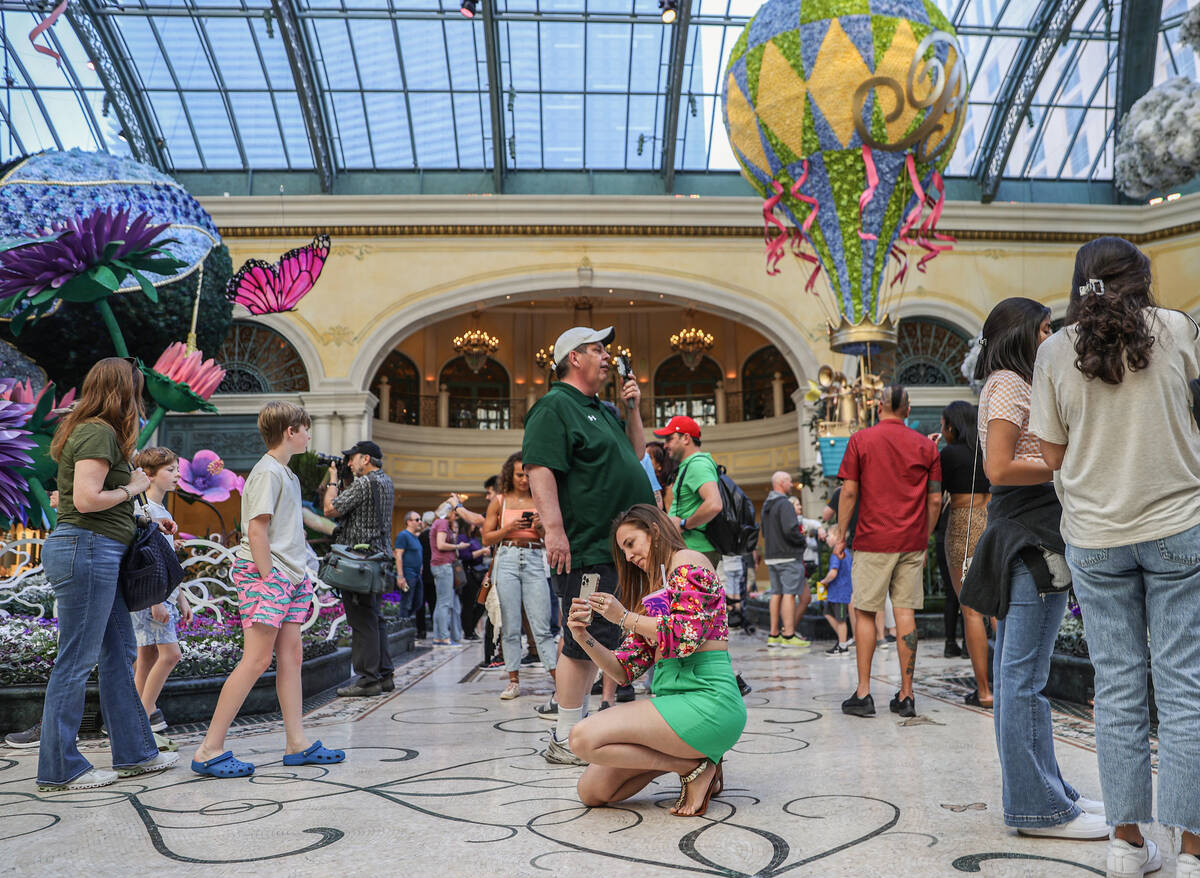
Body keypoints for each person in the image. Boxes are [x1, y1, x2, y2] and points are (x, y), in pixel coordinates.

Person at [1031, 238, 1200, 875]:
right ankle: (1192, 854)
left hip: (1096, 536)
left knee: (1120, 689)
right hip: (1179, 525)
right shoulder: (1179, 329)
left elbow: (1049, 455)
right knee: (1185, 691)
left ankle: (1126, 845)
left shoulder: (1052, 349)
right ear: (1142, 278)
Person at [960, 297, 1106, 841]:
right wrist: (1066, 464)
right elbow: (999, 467)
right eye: (1045, 328)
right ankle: (1037, 806)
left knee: (1025, 679)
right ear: (1021, 333)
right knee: (1022, 680)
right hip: (1027, 535)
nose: (1052, 337)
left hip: (1031, 532)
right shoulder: (1008, 383)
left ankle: (1051, 792)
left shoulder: (1018, 381)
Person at [36, 358, 180, 790]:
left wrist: (144, 520)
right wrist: (135, 488)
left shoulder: (98, 432)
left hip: (98, 550)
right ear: (122, 390)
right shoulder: (97, 429)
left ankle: (136, 753)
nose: (140, 401)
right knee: (76, 660)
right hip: (86, 550)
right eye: (136, 390)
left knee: (119, 653)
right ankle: (60, 770)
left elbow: (103, 504)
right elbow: (84, 499)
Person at [191, 401, 345, 777]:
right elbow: (256, 530)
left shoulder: (286, 474)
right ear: (289, 431)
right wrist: (266, 577)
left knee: (290, 658)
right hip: (269, 574)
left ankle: (297, 743)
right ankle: (209, 749)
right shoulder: (267, 473)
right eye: (305, 428)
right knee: (257, 660)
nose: (309, 434)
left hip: (289, 576)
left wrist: (293, 577)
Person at [522, 325, 653, 765]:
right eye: (598, 349)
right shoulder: (554, 407)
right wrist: (554, 529)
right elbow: (539, 469)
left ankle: (583, 731)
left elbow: (636, 455)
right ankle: (564, 737)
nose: (607, 357)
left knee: (605, 634)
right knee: (581, 639)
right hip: (587, 546)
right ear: (574, 358)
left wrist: (633, 409)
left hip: (617, 547)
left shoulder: (604, 409)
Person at [567, 504, 746, 816]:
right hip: (674, 707)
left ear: (654, 531)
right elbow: (623, 671)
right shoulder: (657, 590)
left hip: (708, 702)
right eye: (622, 551)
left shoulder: (687, 562)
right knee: (592, 792)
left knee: (582, 737)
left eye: (631, 544)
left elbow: (685, 636)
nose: (628, 557)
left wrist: (623, 617)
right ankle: (690, 765)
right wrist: (583, 636)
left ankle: (695, 765)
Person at [834, 385, 941, 718]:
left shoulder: (860, 441)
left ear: (878, 408)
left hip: (871, 540)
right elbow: (935, 499)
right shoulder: (926, 446)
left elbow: (849, 493)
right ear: (907, 410)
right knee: (905, 613)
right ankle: (906, 696)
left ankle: (864, 694)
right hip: (911, 541)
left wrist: (840, 534)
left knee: (865, 612)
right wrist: (924, 536)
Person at [130, 446, 193, 746]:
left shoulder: (159, 512)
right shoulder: (147, 512)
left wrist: (180, 599)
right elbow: (146, 561)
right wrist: (157, 600)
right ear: (150, 476)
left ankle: (135, 720)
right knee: (170, 655)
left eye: (176, 468)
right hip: (153, 597)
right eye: (170, 470)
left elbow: (165, 561)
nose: (177, 474)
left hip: (161, 595)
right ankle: (142, 719)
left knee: (147, 657)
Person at [323, 440, 396, 697]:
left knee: (362, 621)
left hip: (359, 562)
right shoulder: (385, 481)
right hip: (377, 559)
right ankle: (385, 675)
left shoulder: (365, 483)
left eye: (352, 458)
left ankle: (368, 680)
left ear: (365, 459)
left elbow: (330, 508)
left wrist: (333, 479)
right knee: (375, 618)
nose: (349, 463)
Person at [482, 451, 557, 699]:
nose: (523, 479)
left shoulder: (541, 499)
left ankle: (558, 678)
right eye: (518, 475)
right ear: (509, 475)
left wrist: (541, 527)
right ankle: (513, 680)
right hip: (507, 559)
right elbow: (486, 537)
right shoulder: (500, 501)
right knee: (511, 624)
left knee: (542, 624)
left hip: (535, 558)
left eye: (527, 475)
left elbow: (552, 537)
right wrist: (508, 528)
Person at [935, 401, 992, 706]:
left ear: (952, 427)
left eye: (944, 425)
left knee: (970, 609)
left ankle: (984, 690)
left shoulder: (949, 454)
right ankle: (1005, 685)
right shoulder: (986, 451)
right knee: (998, 608)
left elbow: (934, 493)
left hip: (962, 523)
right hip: (991, 520)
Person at [655, 415, 723, 568]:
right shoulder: (690, 465)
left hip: (697, 549)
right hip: (693, 549)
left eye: (669, 439)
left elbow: (714, 504)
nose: (665, 445)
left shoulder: (697, 464)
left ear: (686, 438)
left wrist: (684, 524)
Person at [761, 471, 813, 648]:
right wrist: (802, 540)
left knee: (776, 594)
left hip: (772, 556)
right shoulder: (784, 504)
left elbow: (764, 531)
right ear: (782, 482)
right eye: (790, 481)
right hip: (788, 555)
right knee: (789, 595)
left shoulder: (767, 504)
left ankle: (774, 634)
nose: (792, 485)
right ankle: (789, 635)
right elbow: (791, 529)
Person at [429, 501, 464, 645]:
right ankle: (444, 637)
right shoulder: (442, 523)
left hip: (438, 565)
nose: (456, 516)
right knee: (445, 603)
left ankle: (439, 636)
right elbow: (441, 544)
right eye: (455, 512)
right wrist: (457, 546)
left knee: (440, 602)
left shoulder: (437, 522)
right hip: (443, 565)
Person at [818, 530, 852, 656]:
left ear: (838, 538)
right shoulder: (845, 553)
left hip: (840, 593)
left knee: (841, 620)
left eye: (829, 535)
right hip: (836, 593)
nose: (826, 538)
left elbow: (833, 573)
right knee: (828, 613)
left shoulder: (837, 554)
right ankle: (842, 639)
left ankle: (843, 646)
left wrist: (824, 581)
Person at [457, 524, 490, 640]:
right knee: (469, 603)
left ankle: (471, 628)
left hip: (478, 573)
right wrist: (481, 551)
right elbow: (464, 556)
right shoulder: (462, 538)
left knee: (481, 603)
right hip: (468, 573)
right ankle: (468, 631)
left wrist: (482, 552)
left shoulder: (473, 538)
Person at [394, 511, 423, 620]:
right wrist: (400, 576)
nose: (420, 522)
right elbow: (398, 555)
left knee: (418, 602)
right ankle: (402, 625)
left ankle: (404, 622)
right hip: (408, 575)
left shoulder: (415, 537)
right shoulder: (403, 535)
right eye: (417, 519)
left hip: (416, 575)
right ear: (409, 522)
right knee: (406, 603)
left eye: (420, 519)